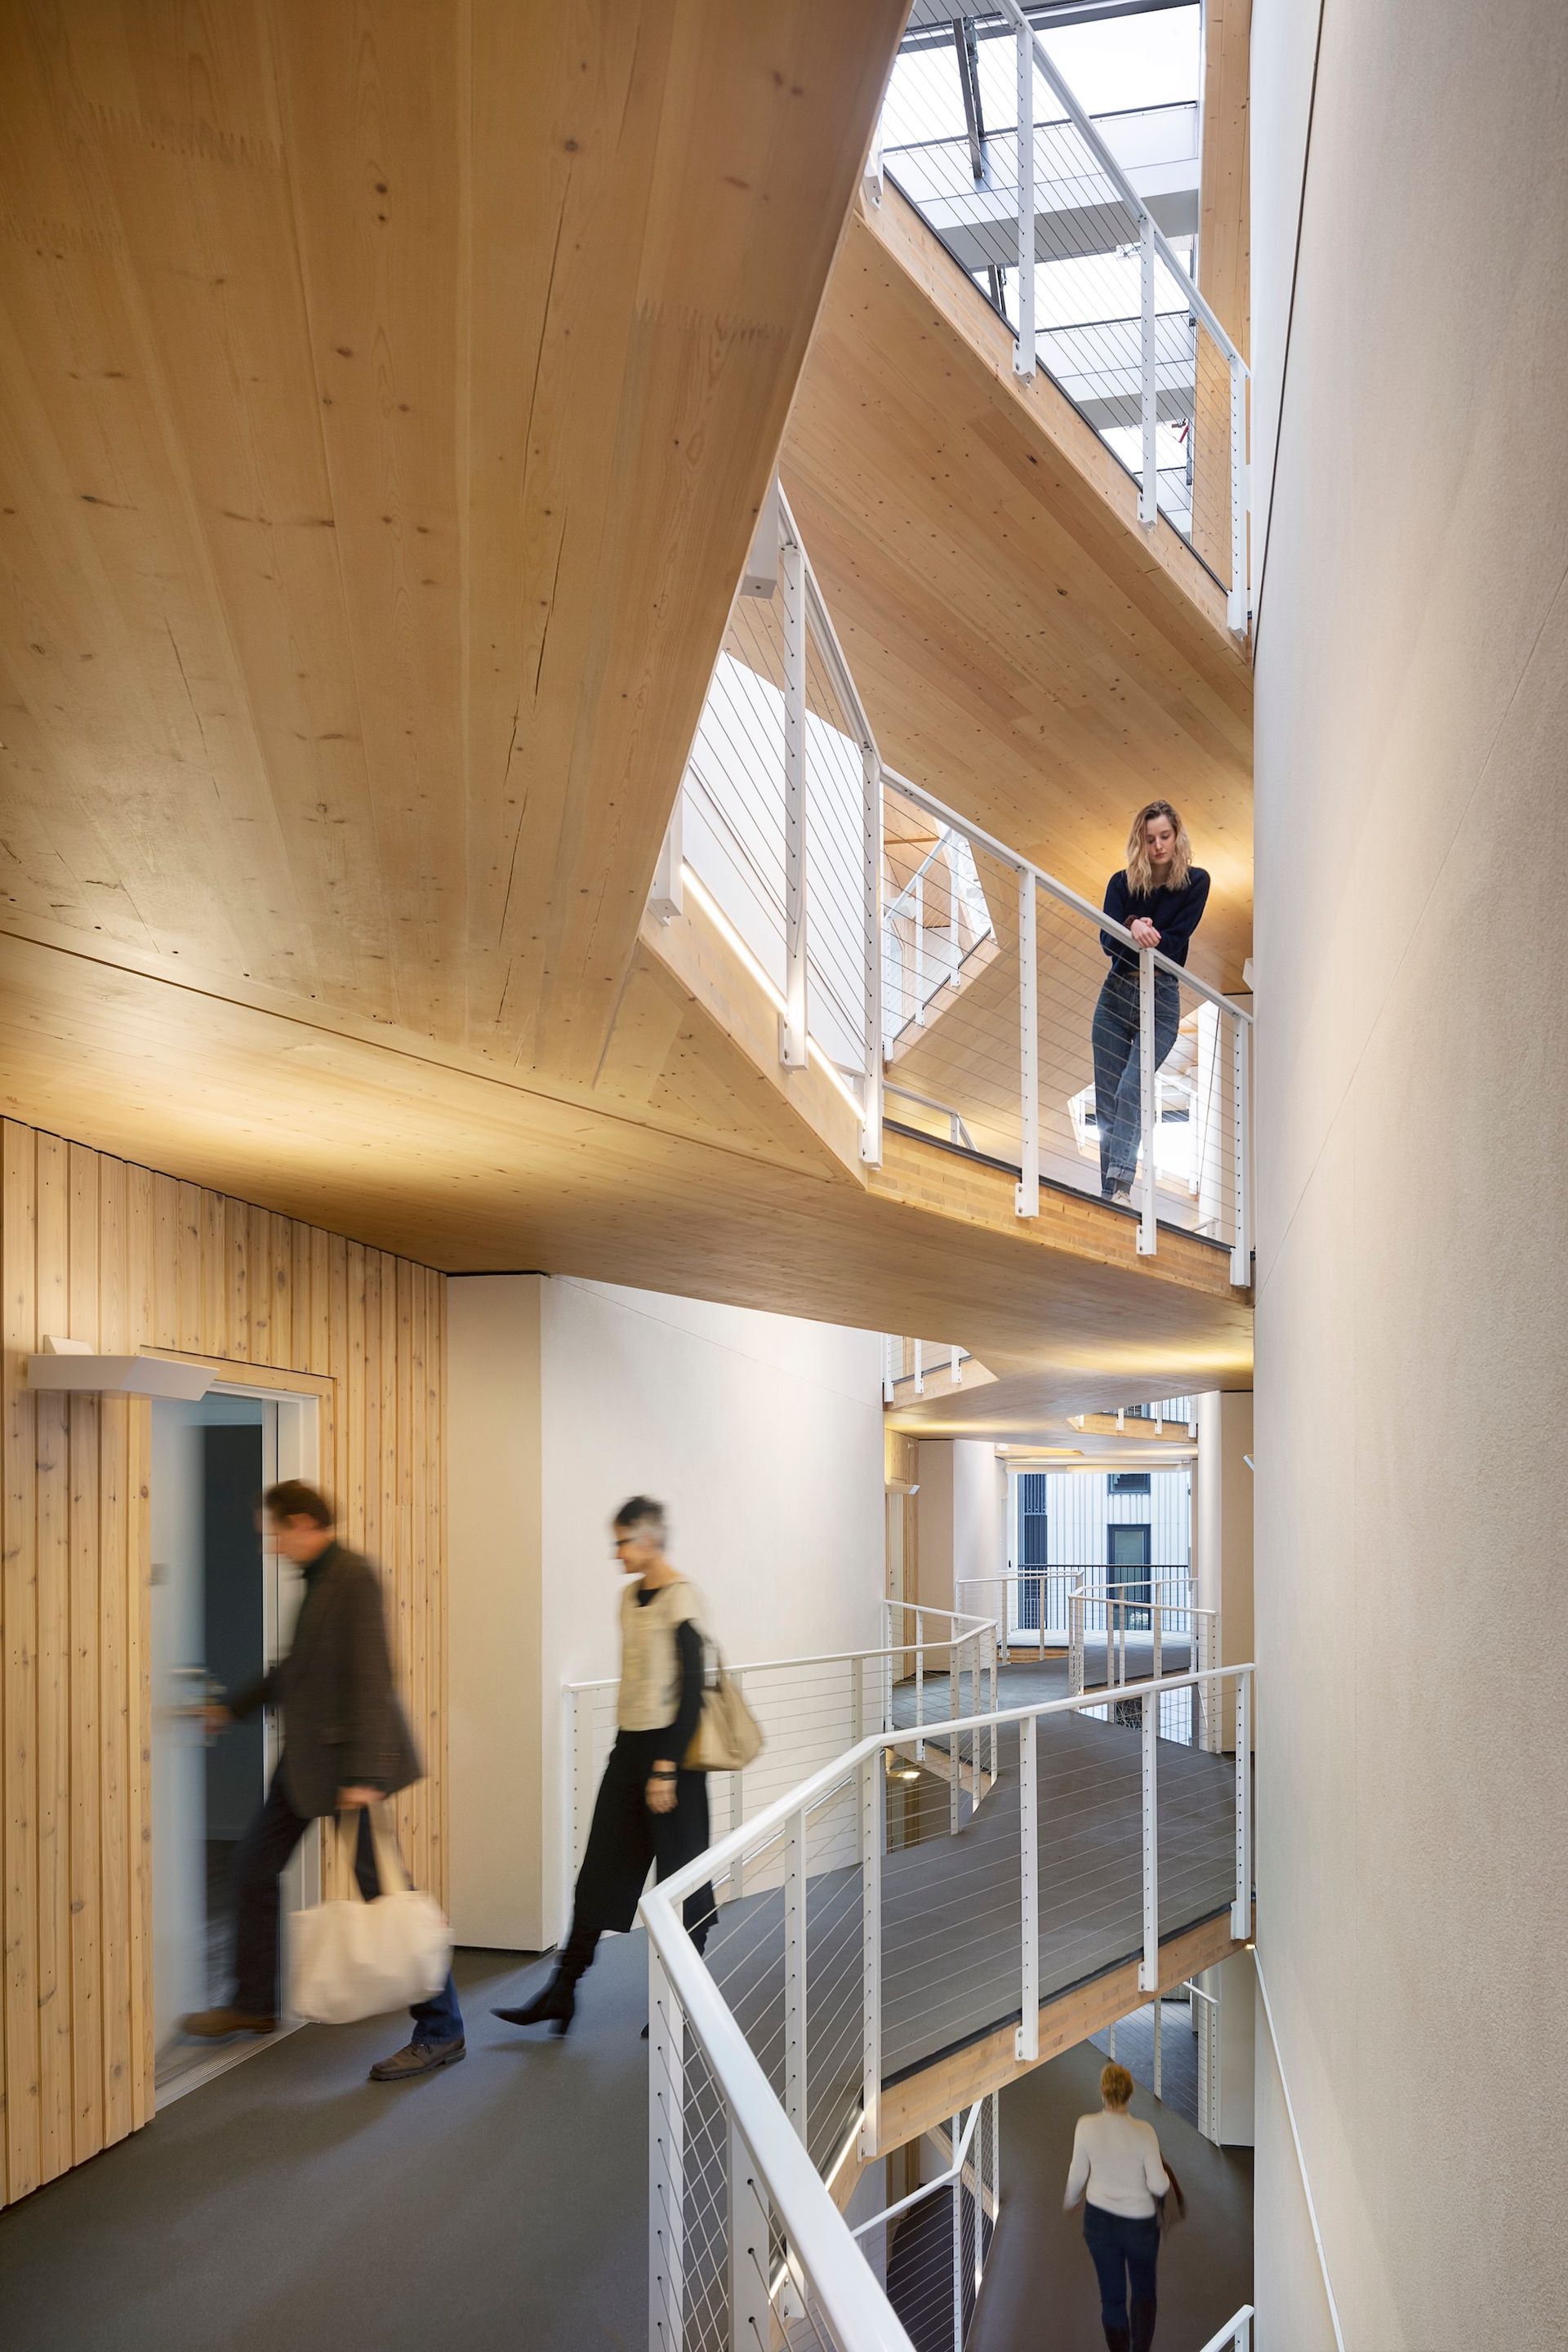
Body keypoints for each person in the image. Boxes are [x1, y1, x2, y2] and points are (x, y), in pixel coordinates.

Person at [180, 1481, 466, 2082]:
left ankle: (442, 2029)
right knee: (254, 1866)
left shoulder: (351, 1576)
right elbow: (295, 1671)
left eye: (278, 1533)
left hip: (346, 1769)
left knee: (386, 1894)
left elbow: (372, 1676)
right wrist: (230, 1708)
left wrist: (364, 1776)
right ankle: (253, 2004)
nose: (274, 1545)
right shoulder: (317, 1579)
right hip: (307, 1763)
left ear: (305, 1522)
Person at [493, 1496, 717, 2038]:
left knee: (681, 1884)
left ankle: (681, 2003)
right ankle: (562, 1992)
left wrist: (665, 1768)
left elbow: (691, 1695)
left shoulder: (682, 1599)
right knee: (600, 1874)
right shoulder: (627, 1598)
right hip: (629, 1751)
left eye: (621, 1542)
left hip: (674, 1758)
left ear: (647, 1540)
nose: (616, 1554)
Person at [1093, 800, 1210, 1205]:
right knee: (1107, 1097)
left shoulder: (1195, 883)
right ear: (1139, 842)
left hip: (1160, 999)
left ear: (1177, 837)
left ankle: (1121, 1186)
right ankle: (1110, 1193)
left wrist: (1142, 928)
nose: (1158, 846)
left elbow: (1174, 942)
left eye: (1165, 836)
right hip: (1115, 994)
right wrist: (1130, 926)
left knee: (1131, 1088)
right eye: (1150, 839)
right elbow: (1108, 942)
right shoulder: (1121, 883)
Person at [1064, 2061, 1172, 2352]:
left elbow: (1077, 2176)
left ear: (1103, 2093)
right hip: (1140, 2226)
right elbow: (1159, 2186)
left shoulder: (1086, 2126)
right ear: (1130, 2094)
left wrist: (1071, 2201)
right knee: (1144, 2293)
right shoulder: (1145, 2132)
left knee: (1111, 2298)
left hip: (1100, 2224)